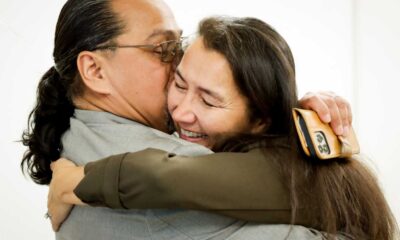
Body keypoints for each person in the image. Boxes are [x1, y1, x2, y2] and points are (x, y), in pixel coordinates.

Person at [21, 0, 356, 239]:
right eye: (162, 49)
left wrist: (297, 120)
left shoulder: (78, 134)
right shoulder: (161, 182)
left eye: (177, 44)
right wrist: (317, 141)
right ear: (94, 70)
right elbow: (331, 203)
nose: (179, 62)